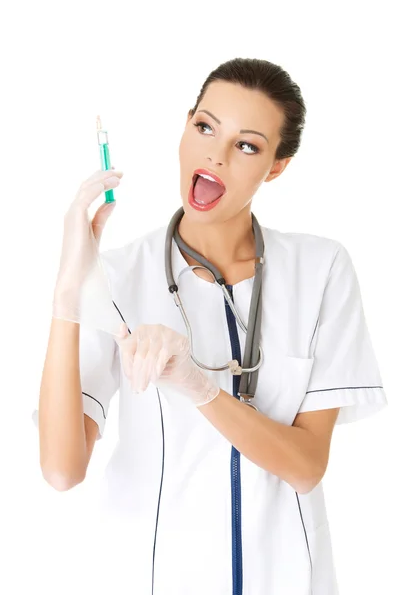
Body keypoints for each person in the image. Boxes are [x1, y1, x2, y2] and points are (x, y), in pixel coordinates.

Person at [34, 58, 387, 595]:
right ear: (185, 127)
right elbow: (62, 470)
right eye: (205, 127)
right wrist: (68, 297)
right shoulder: (120, 277)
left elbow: (306, 466)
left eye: (246, 146)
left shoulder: (320, 271)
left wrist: (199, 387)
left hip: (290, 580)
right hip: (156, 578)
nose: (214, 156)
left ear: (276, 166)